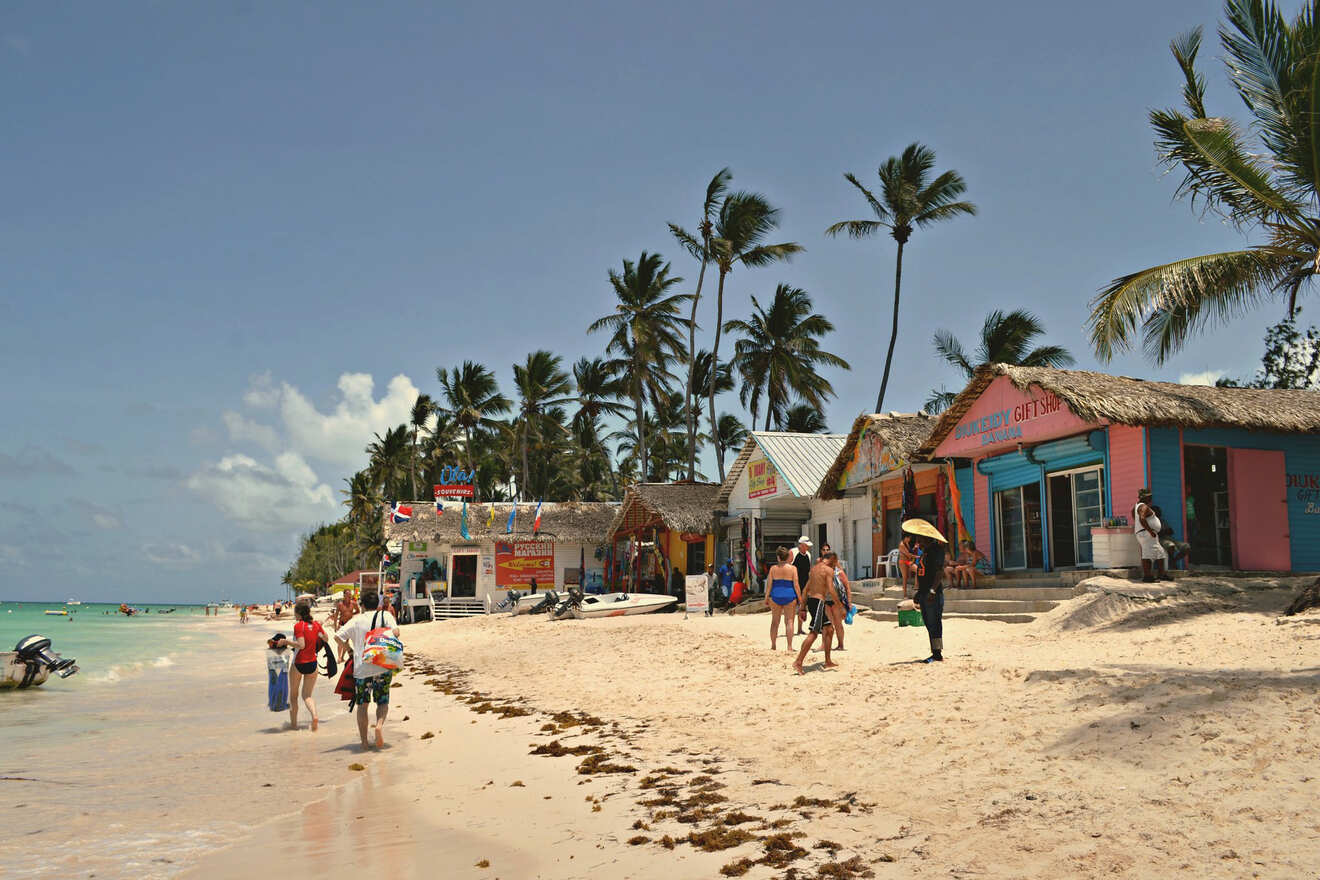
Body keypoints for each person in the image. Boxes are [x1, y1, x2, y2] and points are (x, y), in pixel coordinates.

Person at [335, 588, 400, 750]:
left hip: (362, 669)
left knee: (362, 706)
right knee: (382, 701)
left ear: (362, 605)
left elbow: (338, 636)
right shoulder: (386, 615)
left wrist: (349, 650)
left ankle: (364, 742)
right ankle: (378, 726)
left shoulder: (356, 620)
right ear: (376, 603)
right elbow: (397, 632)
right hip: (382, 666)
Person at [270, 601, 329, 731]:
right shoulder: (316, 625)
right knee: (307, 696)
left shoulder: (299, 626)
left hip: (299, 663)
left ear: (299, 613)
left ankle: (294, 725)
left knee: (294, 696)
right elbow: (326, 638)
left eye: (295, 612)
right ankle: (314, 716)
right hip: (313, 664)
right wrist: (317, 631)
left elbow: (301, 645)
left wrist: (286, 641)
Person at [908, 521, 948, 663]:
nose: (918, 541)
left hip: (933, 593)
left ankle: (937, 654)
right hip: (924, 592)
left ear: (927, 537)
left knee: (935, 622)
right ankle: (934, 651)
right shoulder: (925, 552)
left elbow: (939, 572)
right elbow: (921, 572)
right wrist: (918, 591)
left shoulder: (936, 550)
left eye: (920, 538)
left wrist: (932, 591)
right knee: (928, 622)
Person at [793, 552, 839, 674]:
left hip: (812, 602)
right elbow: (830, 588)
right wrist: (840, 605)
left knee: (829, 629)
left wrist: (802, 608)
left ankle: (828, 661)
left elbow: (805, 590)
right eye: (835, 562)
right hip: (818, 602)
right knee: (813, 633)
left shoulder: (814, 569)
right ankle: (798, 662)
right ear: (832, 559)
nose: (836, 565)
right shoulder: (828, 570)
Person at [763, 547, 802, 650]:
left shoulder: (773, 569)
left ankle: (773, 645)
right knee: (789, 621)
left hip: (776, 595)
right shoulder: (793, 569)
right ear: (787, 557)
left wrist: (766, 598)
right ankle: (789, 646)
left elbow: (769, 585)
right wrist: (800, 600)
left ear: (778, 557)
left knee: (775, 621)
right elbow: (796, 585)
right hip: (790, 595)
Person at [1134, 489, 1172, 583]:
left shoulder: (1137, 506)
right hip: (1147, 534)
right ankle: (1147, 577)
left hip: (1147, 533)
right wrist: (1150, 531)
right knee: (1147, 555)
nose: (1151, 498)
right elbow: (1142, 519)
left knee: (1160, 553)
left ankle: (1161, 574)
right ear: (1145, 497)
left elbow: (1136, 517)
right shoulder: (1143, 506)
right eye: (1149, 497)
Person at [820, 543, 849, 650]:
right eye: (824, 549)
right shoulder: (819, 563)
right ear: (821, 550)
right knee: (826, 624)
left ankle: (840, 645)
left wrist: (847, 603)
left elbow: (845, 582)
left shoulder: (836, 564)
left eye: (827, 549)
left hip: (836, 600)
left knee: (838, 624)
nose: (826, 551)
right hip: (826, 599)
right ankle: (825, 645)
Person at [1152, 505, 1193, 571]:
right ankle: (1171, 561)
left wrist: (1163, 532)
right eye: (1158, 511)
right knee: (1171, 546)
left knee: (1186, 547)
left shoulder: (1163, 521)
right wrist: (1164, 532)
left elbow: (1171, 531)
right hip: (1160, 540)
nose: (1160, 513)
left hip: (1169, 538)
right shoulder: (1151, 522)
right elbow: (1156, 534)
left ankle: (1173, 560)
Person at [791, 537, 813, 636]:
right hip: (793, 583)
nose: (808, 547)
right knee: (792, 607)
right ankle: (790, 628)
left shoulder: (808, 555)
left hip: (805, 584)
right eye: (806, 545)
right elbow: (788, 566)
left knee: (802, 606)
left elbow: (809, 571)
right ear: (801, 544)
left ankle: (800, 629)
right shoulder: (793, 552)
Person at [897, 534, 918, 598]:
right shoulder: (901, 545)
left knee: (917, 569)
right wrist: (918, 556)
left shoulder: (906, 543)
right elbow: (908, 554)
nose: (910, 539)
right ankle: (904, 594)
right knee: (905, 578)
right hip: (903, 562)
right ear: (905, 538)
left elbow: (910, 551)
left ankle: (916, 586)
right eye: (909, 538)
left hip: (908, 562)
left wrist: (914, 548)